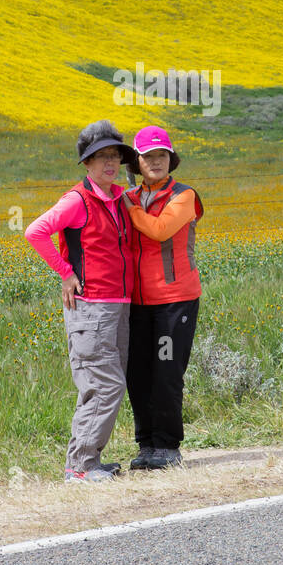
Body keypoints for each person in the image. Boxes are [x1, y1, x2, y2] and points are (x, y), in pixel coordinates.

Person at [25, 120, 135, 483]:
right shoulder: (77, 200)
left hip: (115, 305)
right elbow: (35, 231)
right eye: (100, 157)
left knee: (103, 385)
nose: (109, 163)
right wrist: (65, 273)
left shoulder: (116, 198)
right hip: (91, 307)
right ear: (86, 164)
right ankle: (81, 466)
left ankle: (88, 461)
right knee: (105, 385)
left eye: (114, 156)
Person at [122, 126, 203, 469]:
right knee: (138, 374)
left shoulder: (184, 196)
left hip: (174, 301)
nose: (155, 161)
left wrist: (126, 205)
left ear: (171, 159)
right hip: (137, 303)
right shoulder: (130, 197)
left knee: (166, 371)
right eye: (148, 156)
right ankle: (146, 446)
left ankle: (168, 447)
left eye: (161, 155)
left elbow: (160, 231)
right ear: (137, 163)